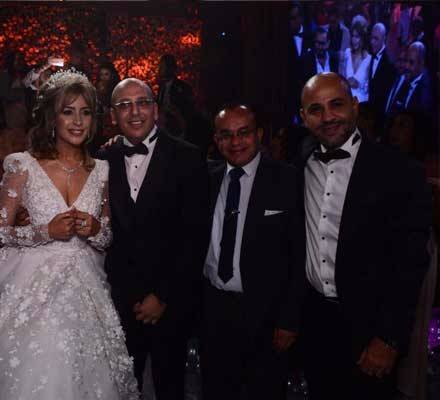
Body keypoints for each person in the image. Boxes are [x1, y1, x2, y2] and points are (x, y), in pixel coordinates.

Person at [0, 70, 139, 400]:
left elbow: (107, 237)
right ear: (51, 117)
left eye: (86, 112)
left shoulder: (101, 169)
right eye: (68, 111)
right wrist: (47, 231)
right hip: (33, 293)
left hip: (87, 293)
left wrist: (95, 229)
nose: (78, 121)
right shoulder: (22, 165)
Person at [297, 72, 431, 400]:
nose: (328, 117)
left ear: (355, 106)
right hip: (314, 323)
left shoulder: (400, 171)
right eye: (316, 109)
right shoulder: (299, 163)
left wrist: (389, 338)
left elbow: (411, 264)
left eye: (336, 105)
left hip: (371, 328)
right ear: (304, 117)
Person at [97, 78, 210, 399]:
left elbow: (195, 237)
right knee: (120, 388)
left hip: (170, 304)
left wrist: (162, 296)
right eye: (124, 105)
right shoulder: (101, 159)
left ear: (156, 110)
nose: (135, 112)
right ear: (113, 115)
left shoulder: (188, 157)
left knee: (169, 387)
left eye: (142, 103)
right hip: (119, 302)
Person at [199, 104, 304, 399]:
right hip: (213, 310)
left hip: (266, 316)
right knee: (216, 390)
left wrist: (289, 319)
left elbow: (298, 256)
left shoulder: (287, 179)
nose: (235, 142)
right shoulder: (205, 178)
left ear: (259, 135)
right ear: (216, 140)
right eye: (226, 135)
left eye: (243, 133)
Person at [386, 41, 434, 115]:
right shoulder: (407, 80)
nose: (406, 66)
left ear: (421, 63)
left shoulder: (425, 93)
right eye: (406, 60)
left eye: (411, 62)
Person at [368, 23, 397, 123]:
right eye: (371, 38)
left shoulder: (390, 63)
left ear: (384, 39)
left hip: (378, 116)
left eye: (376, 39)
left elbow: (387, 95)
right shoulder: (368, 54)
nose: (372, 42)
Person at [341, 20, 371, 103]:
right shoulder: (347, 53)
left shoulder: (369, 59)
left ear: (363, 38)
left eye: (357, 37)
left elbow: (369, 88)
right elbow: (341, 78)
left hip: (361, 103)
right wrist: (347, 82)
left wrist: (359, 85)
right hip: (346, 101)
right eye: (352, 36)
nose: (354, 40)